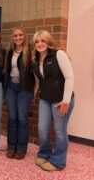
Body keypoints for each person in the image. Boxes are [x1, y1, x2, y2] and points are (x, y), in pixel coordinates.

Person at [31, 30, 74, 171]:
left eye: (42, 40)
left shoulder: (58, 54)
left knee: (60, 131)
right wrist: (33, 94)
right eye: (37, 41)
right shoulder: (35, 60)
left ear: (48, 41)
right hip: (45, 99)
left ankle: (58, 162)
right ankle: (44, 154)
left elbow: (69, 77)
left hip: (61, 100)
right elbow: (38, 81)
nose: (39, 44)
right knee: (42, 129)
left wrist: (66, 101)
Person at [4, 28, 35, 160]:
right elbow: (6, 70)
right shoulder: (9, 52)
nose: (18, 37)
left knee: (22, 118)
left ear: (24, 36)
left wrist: (34, 91)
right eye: (15, 36)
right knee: (12, 117)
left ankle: (21, 148)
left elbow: (35, 73)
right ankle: (11, 147)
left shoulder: (30, 51)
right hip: (11, 87)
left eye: (20, 35)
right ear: (13, 38)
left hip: (25, 89)